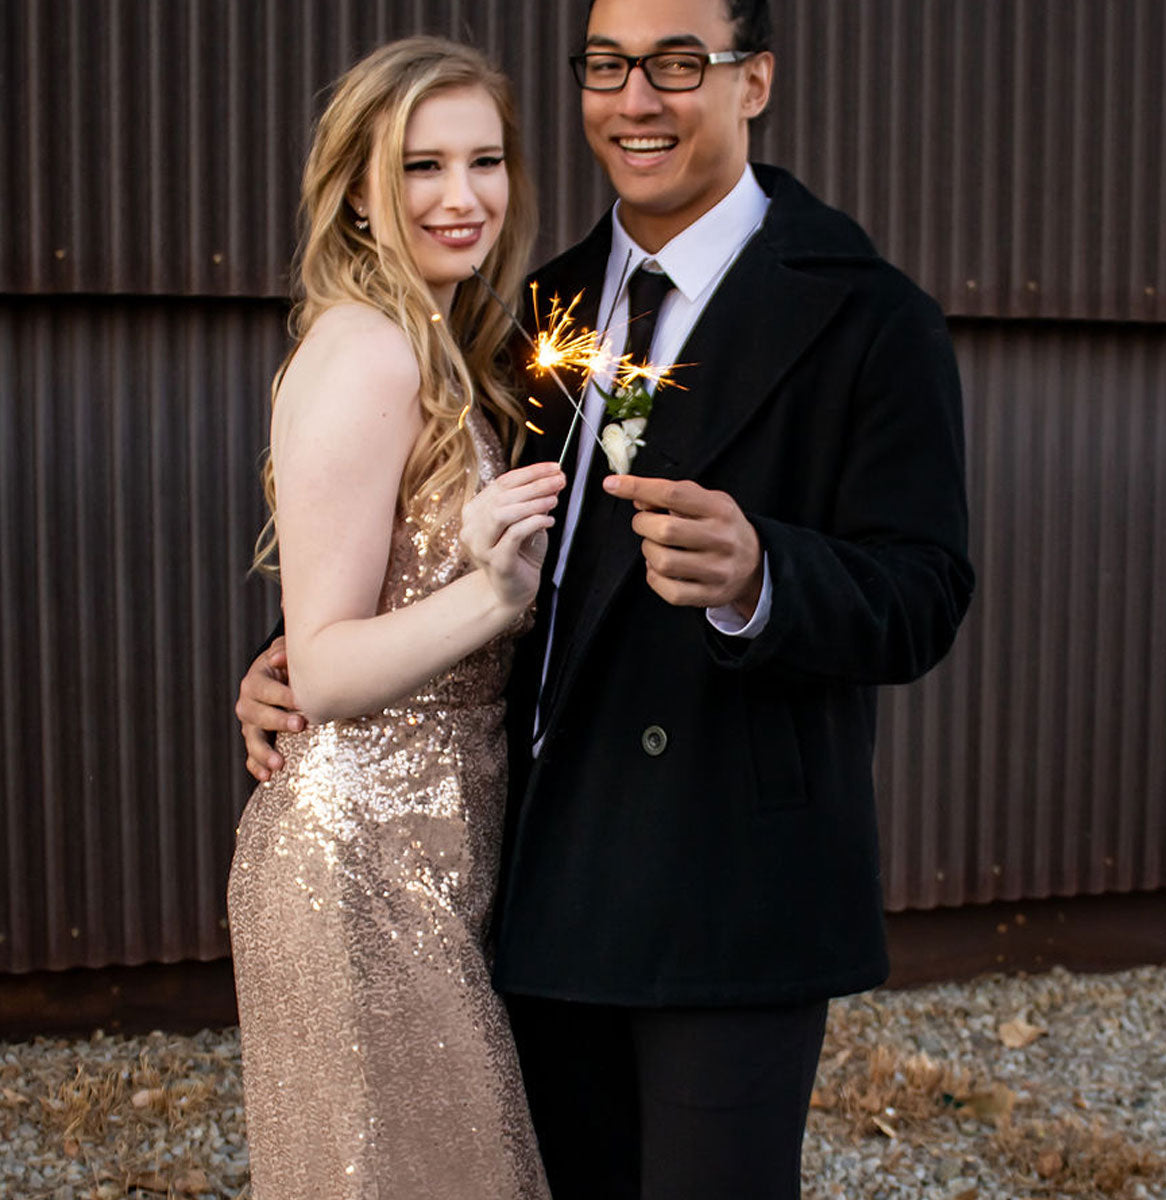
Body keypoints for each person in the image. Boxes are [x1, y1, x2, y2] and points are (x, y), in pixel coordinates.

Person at [238, 1, 974, 1196]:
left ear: (755, 81)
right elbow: (447, 532)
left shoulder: (869, 314)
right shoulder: (542, 308)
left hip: (728, 893)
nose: (637, 99)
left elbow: (926, 592)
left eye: (678, 63)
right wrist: (294, 658)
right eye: (607, 65)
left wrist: (765, 576)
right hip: (536, 885)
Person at [226, 37, 563, 1200]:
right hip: (355, 863)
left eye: (485, 160)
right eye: (422, 166)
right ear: (359, 193)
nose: (462, 196)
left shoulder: (444, 346)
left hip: (431, 851)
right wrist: (497, 594)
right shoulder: (367, 352)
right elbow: (323, 670)